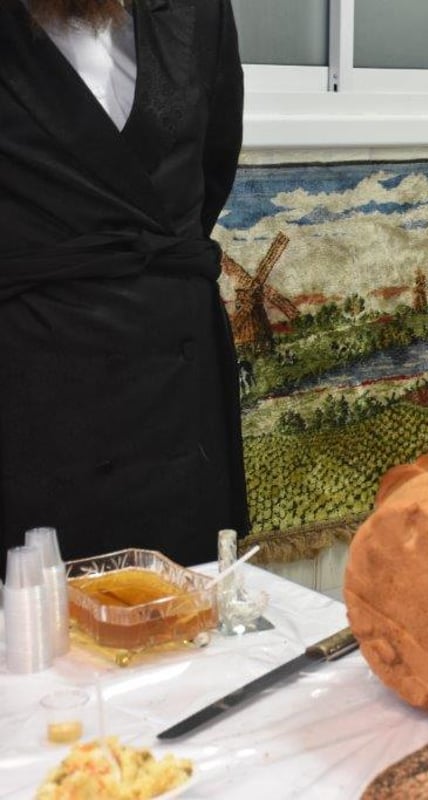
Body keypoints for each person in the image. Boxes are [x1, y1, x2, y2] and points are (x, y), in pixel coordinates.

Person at [0, 0, 248, 577]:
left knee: (189, 628)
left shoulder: (200, 11)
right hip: (31, 398)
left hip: (178, 405)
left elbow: (211, 169)